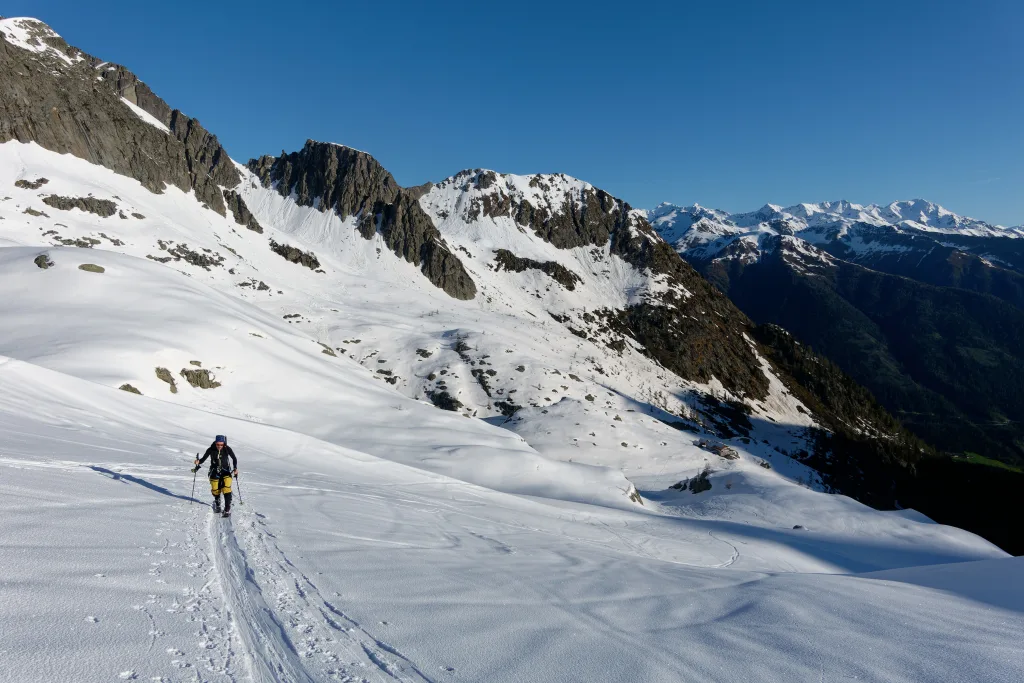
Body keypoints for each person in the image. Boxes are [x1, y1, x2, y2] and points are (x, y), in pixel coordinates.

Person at [193, 435, 238, 514]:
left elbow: (234, 458)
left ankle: (227, 508)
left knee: (226, 487)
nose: (219, 446)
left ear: (224, 444)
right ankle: (217, 502)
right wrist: (198, 462)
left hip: (225, 471)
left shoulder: (227, 449)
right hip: (214, 470)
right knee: (215, 489)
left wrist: (235, 468)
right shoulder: (211, 449)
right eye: (218, 444)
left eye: (221, 445)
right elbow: (203, 459)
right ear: (215, 443)